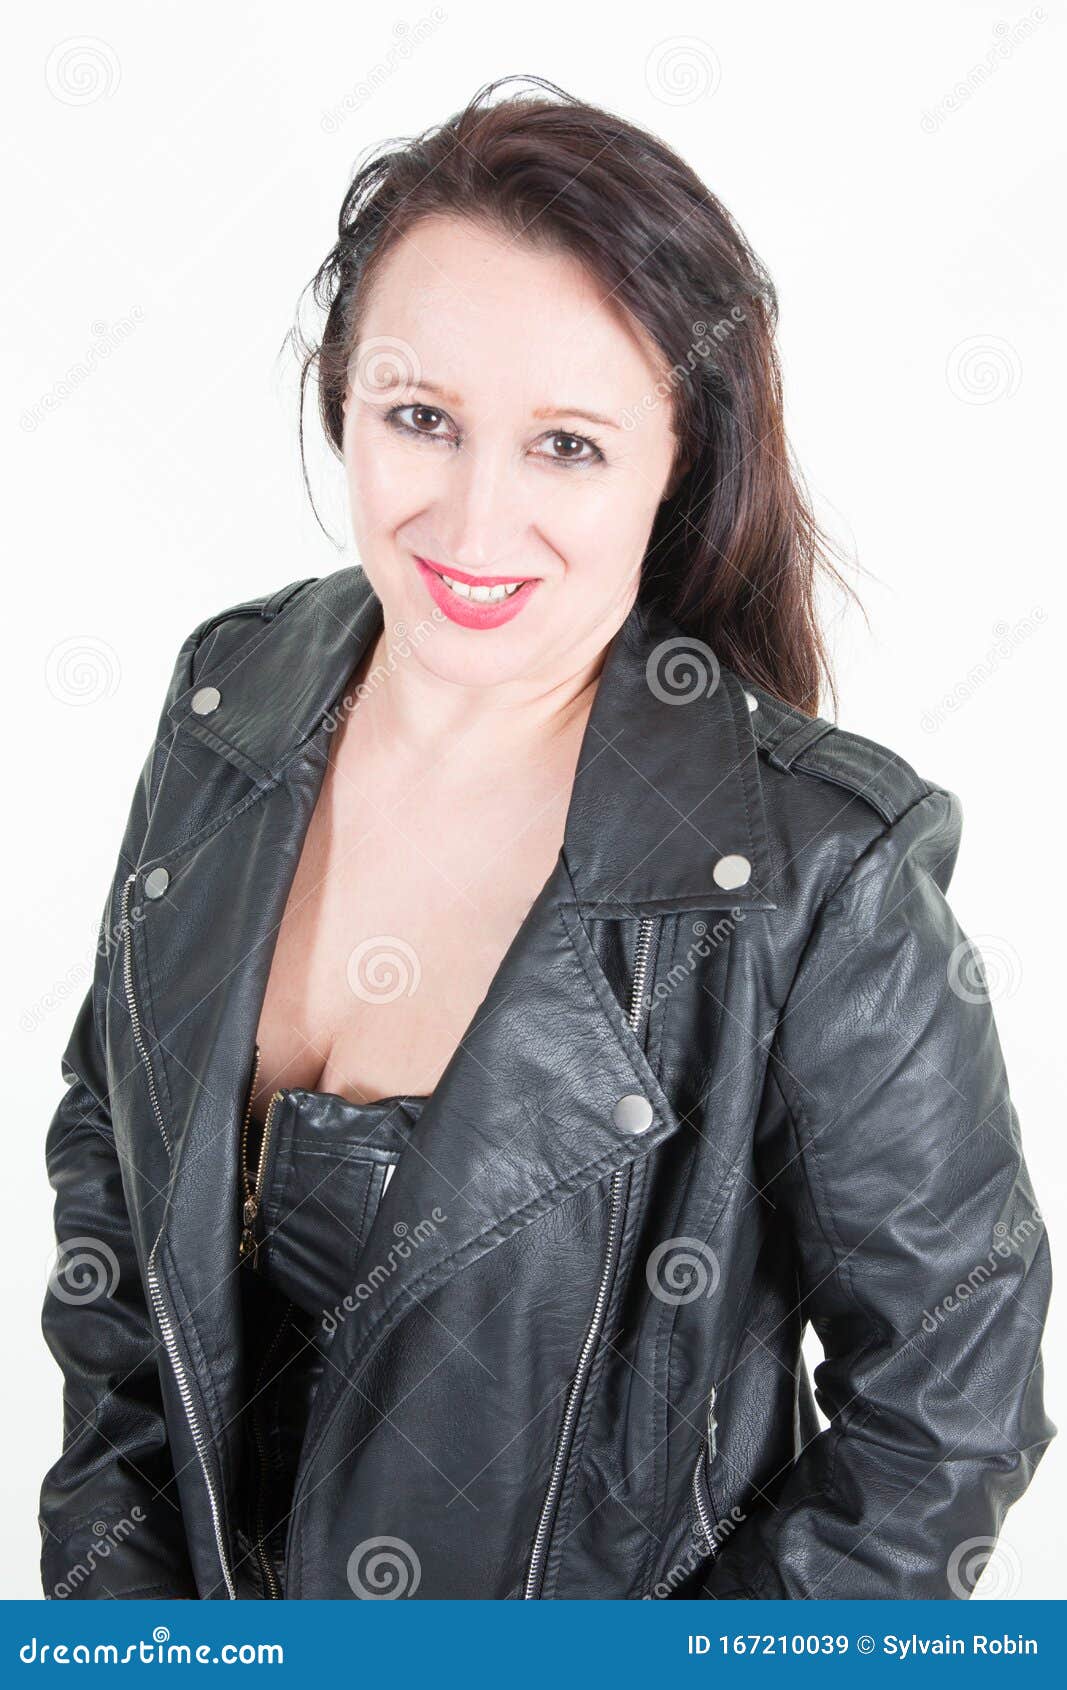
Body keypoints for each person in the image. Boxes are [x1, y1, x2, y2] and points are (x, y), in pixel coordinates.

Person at [39, 76, 1054, 1601]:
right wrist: (119, 1616)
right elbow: (109, 1168)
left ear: (676, 463)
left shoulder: (818, 866)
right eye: (421, 418)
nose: (473, 514)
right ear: (342, 402)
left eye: (568, 445)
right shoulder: (225, 707)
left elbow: (949, 1416)